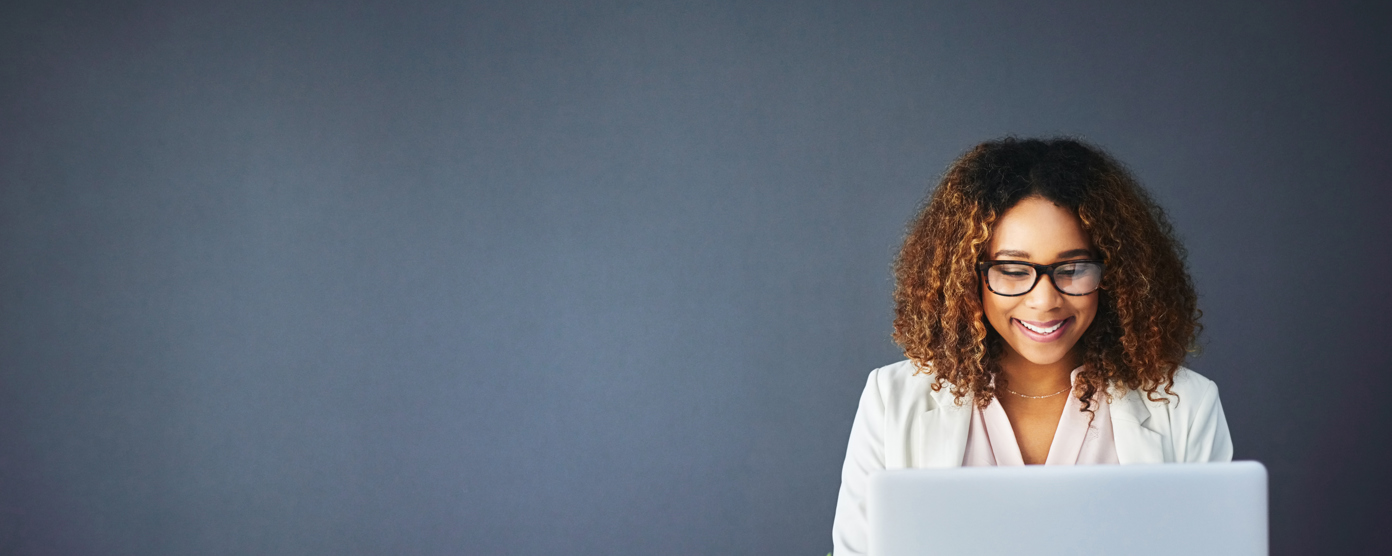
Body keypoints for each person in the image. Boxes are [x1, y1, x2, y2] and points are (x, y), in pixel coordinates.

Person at [831, 138, 1233, 555]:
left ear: (1116, 274)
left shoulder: (1187, 405)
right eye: (1011, 270)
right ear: (967, 276)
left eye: (1073, 268)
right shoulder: (890, 401)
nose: (1044, 301)